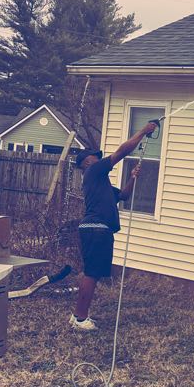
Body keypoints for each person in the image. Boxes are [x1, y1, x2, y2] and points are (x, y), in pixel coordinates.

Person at [70, 119, 159, 330]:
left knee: (93, 272)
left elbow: (124, 196)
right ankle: (80, 318)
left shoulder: (101, 184)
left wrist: (132, 178)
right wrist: (143, 131)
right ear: (87, 163)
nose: (100, 158)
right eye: (96, 157)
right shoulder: (93, 172)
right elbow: (122, 152)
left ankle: (79, 316)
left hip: (98, 230)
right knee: (92, 273)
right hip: (96, 229)